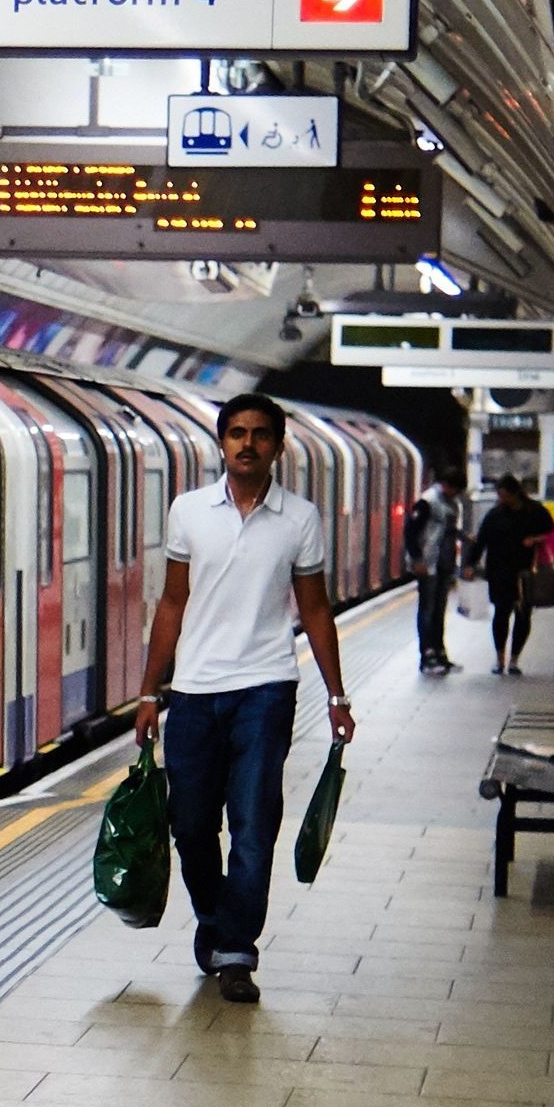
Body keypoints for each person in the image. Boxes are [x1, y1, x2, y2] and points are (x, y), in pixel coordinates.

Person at [133, 393, 353, 1006]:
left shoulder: (299, 519)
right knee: (191, 827)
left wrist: (337, 694)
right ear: (221, 442)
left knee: (254, 827)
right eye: (236, 433)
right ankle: (219, 919)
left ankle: (236, 952)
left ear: (278, 446)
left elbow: (313, 609)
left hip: (265, 688)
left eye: (259, 434)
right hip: (195, 693)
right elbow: (172, 603)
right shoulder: (189, 512)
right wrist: (150, 691)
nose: (247, 444)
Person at [467, 476, 554, 676]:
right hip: (498, 572)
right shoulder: (494, 515)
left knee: (523, 616)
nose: (501, 499)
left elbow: (551, 533)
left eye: (504, 495)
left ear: (515, 493)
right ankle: (499, 659)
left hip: (525, 572)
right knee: (501, 615)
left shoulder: (535, 511)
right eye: (499, 495)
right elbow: (481, 541)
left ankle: (514, 659)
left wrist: (535, 539)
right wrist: (470, 564)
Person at [405, 470, 464, 673]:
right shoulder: (427, 501)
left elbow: (449, 530)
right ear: (446, 485)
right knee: (427, 611)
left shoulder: (452, 503)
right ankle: (427, 655)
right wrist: (417, 559)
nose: (455, 494)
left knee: (439, 611)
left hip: (444, 564)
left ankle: (439, 652)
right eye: (454, 489)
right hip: (428, 564)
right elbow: (411, 532)